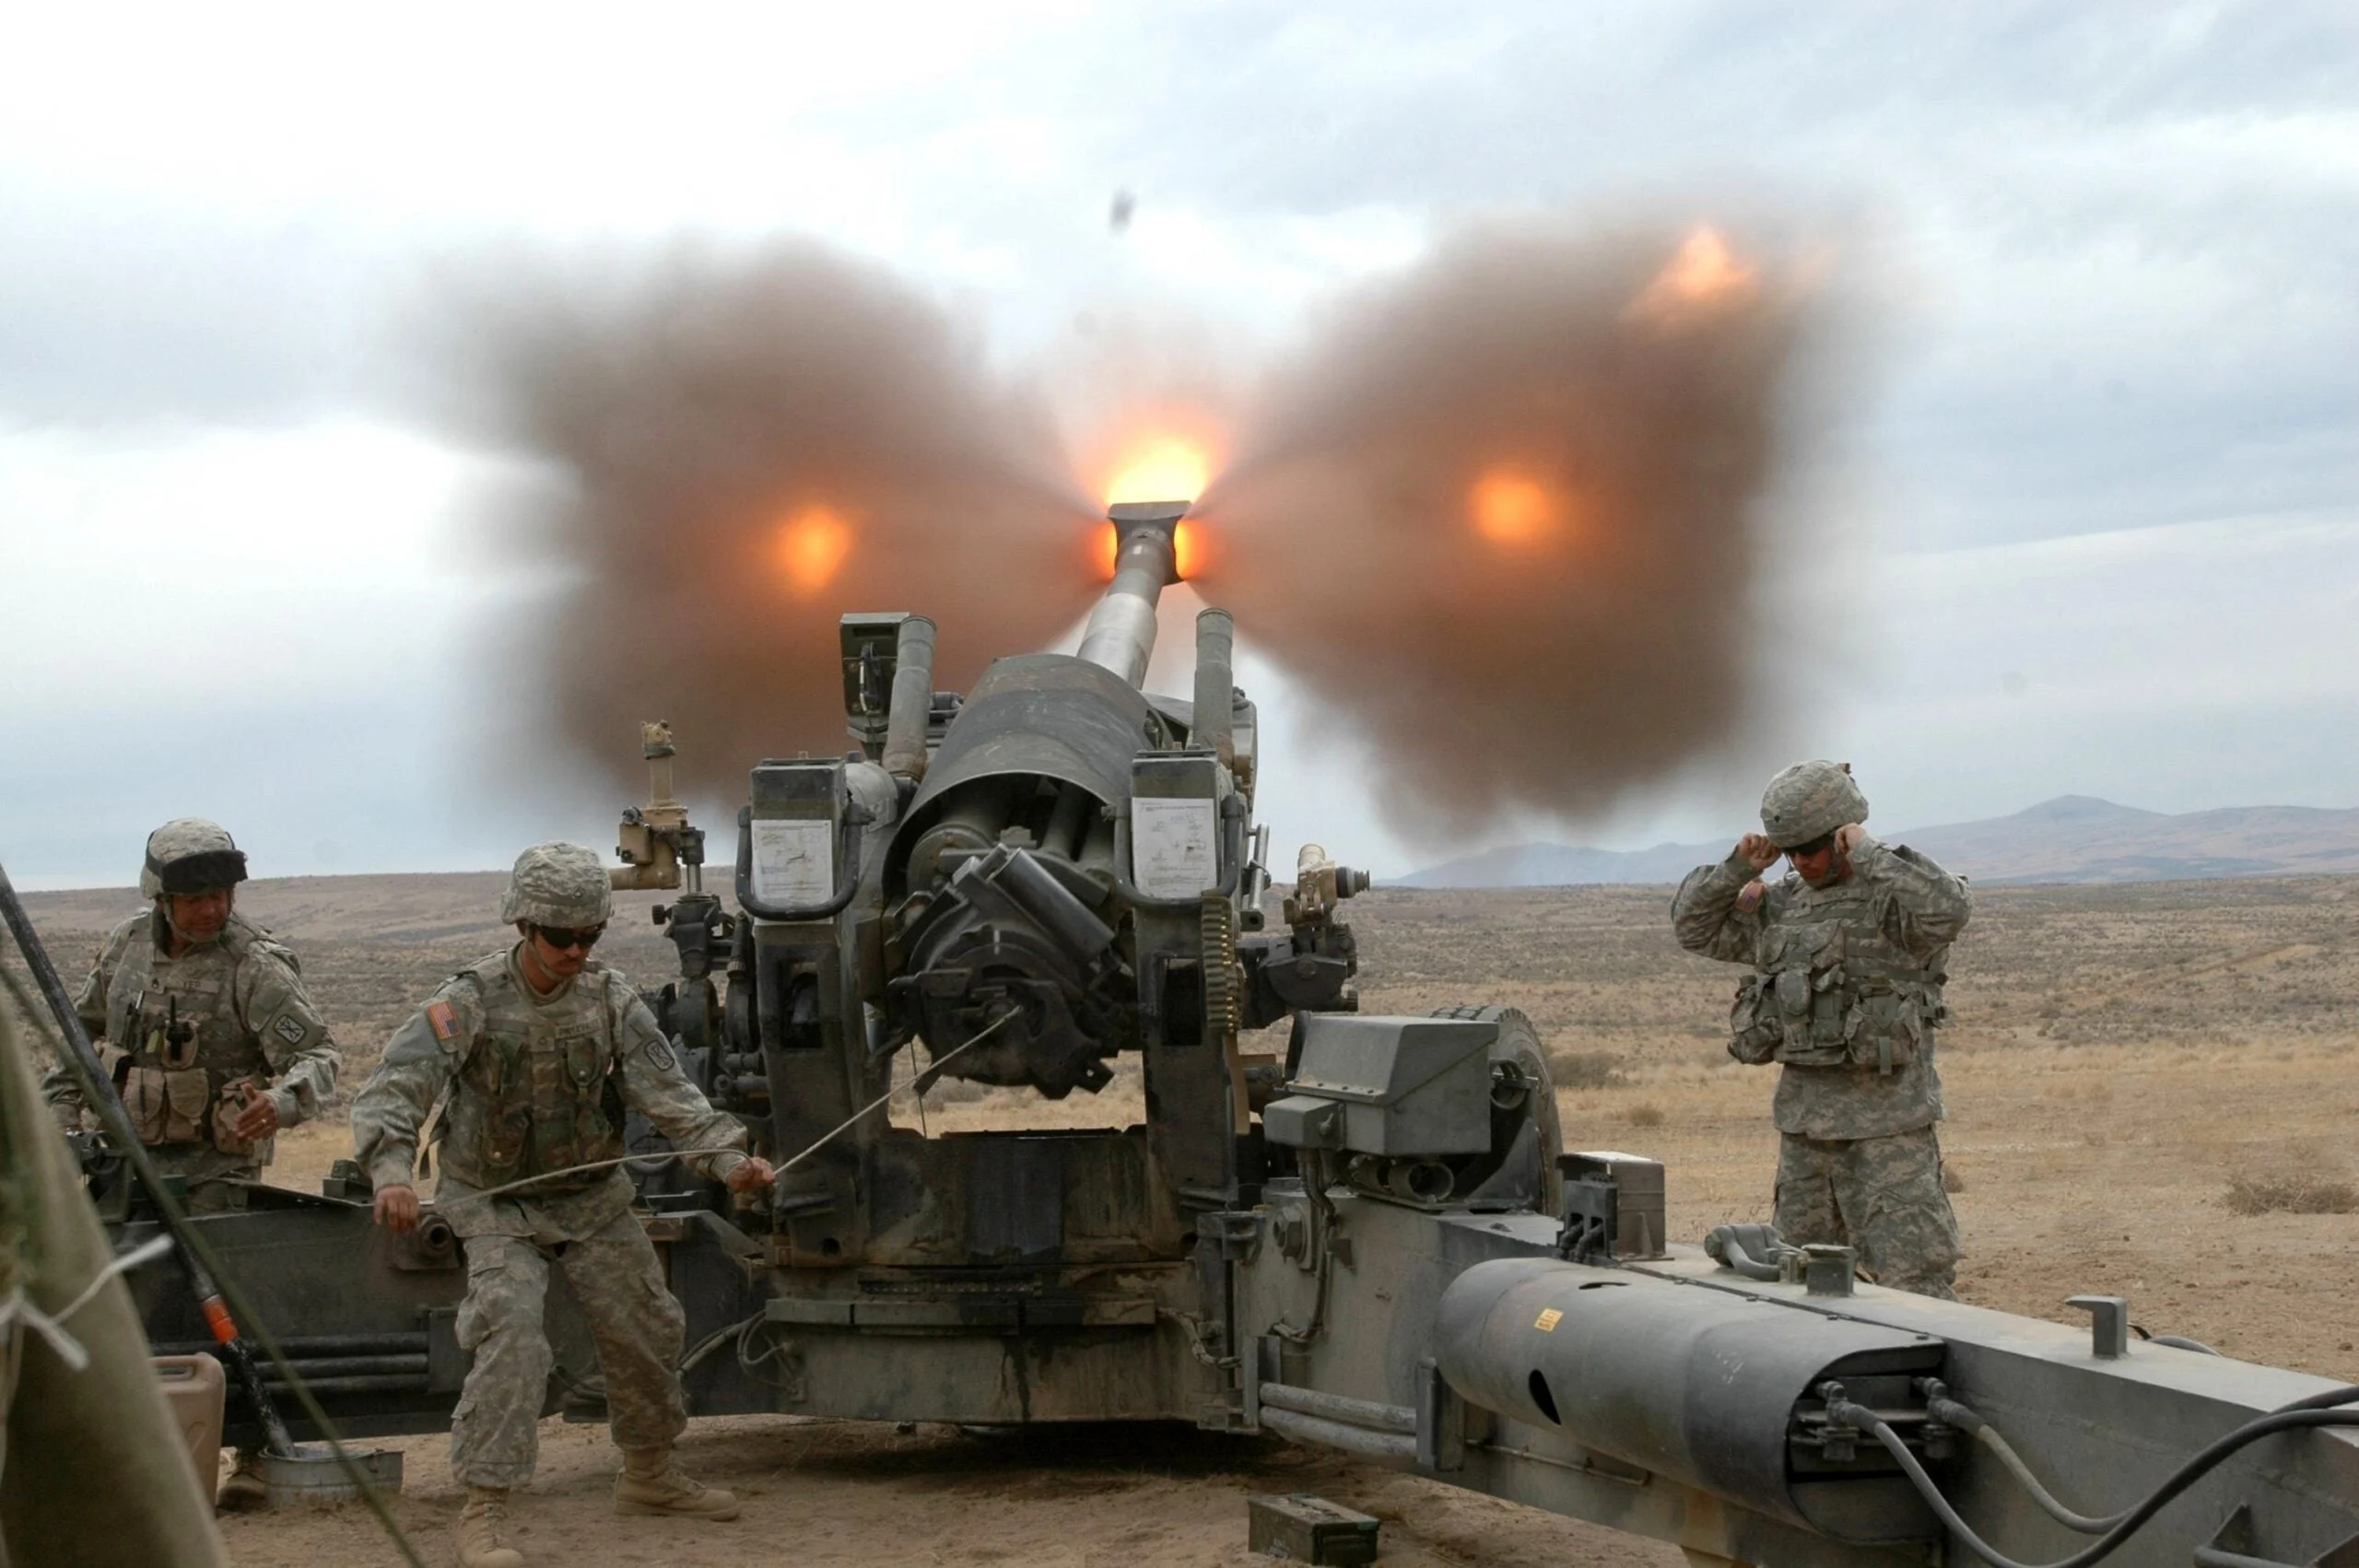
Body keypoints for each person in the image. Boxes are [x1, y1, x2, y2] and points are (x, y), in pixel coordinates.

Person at [350, 842, 777, 1568]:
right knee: (513, 1334)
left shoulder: (610, 1000)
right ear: (523, 926)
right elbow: (394, 1091)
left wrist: (730, 1160)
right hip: (493, 1204)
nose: (577, 951)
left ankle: (649, 1474)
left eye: (591, 937)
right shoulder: (469, 1001)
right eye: (561, 938)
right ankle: (483, 1509)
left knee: (646, 1324)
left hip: (590, 1200)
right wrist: (391, 1172)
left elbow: (672, 1099)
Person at [1672, 761, 1970, 1298]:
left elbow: (1949, 910)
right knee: (1797, 1281)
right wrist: (1737, 869)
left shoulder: (1891, 900)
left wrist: (1872, 854)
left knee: (1916, 1286)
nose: (1802, 861)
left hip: (1889, 1131)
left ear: (1841, 836)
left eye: (1812, 847)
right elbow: (1693, 929)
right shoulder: (1781, 907)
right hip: (1806, 1133)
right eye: (1791, 852)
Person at [43, 818, 340, 1214]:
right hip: (119, 1167)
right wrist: (63, 1120)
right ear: (161, 899)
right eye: (194, 899)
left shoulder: (253, 964)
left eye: (221, 895)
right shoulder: (127, 946)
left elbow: (318, 1054)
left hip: (213, 1184)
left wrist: (279, 1102)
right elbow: (78, 1034)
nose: (212, 909)